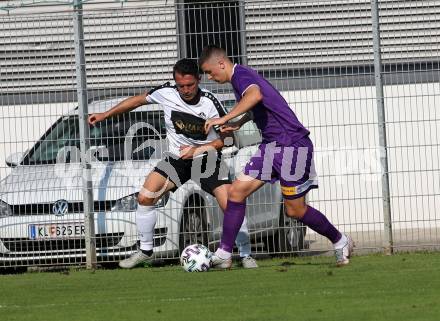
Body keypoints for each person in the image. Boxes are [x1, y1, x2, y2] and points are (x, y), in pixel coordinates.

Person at [88, 58, 258, 269]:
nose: (185, 90)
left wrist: (198, 150)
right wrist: (105, 114)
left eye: (190, 85)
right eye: (181, 86)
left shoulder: (210, 102)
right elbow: (137, 101)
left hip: (208, 158)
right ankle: (146, 250)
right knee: (146, 196)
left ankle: (245, 254)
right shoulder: (166, 92)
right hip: (177, 158)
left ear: (199, 79)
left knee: (230, 203)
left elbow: (228, 140)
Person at [199, 45, 354, 268]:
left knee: (294, 210)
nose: (210, 78)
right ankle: (224, 253)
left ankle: (340, 241)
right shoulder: (239, 77)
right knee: (236, 192)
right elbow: (258, 106)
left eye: (210, 72)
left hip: (292, 145)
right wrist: (238, 123)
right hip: (271, 147)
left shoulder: (241, 75)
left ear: (221, 64)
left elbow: (255, 95)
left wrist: (224, 119)